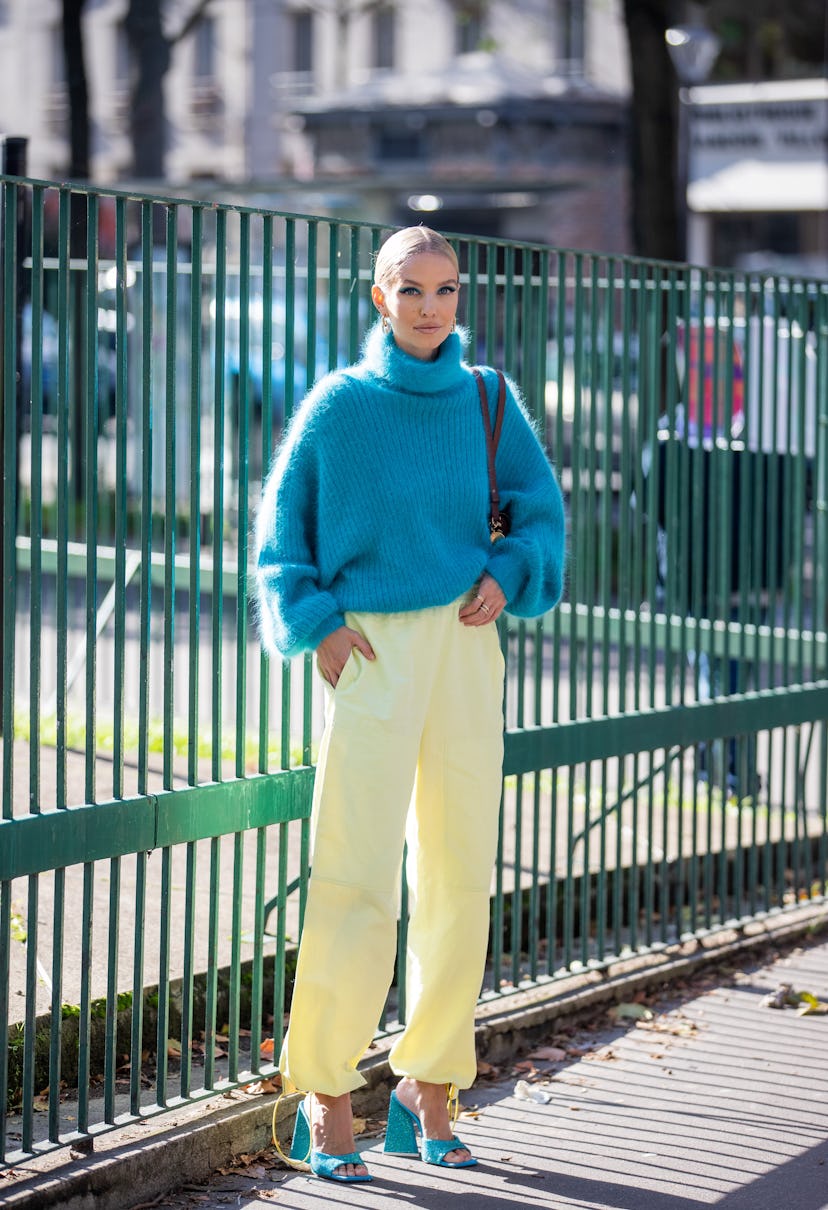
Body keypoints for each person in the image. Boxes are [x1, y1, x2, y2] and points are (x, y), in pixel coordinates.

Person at [255, 225, 565, 1183]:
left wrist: (512, 573)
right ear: (377, 296)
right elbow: (280, 539)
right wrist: (319, 627)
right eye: (411, 288)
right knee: (353, 869)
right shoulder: (338, 408)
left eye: (447, 289)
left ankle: (428, 1082)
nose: (432, 306)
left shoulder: (488, 399)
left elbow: (542, 514)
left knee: (461, 870)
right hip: (375, 651)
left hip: (468, 648)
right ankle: (326, 1091)